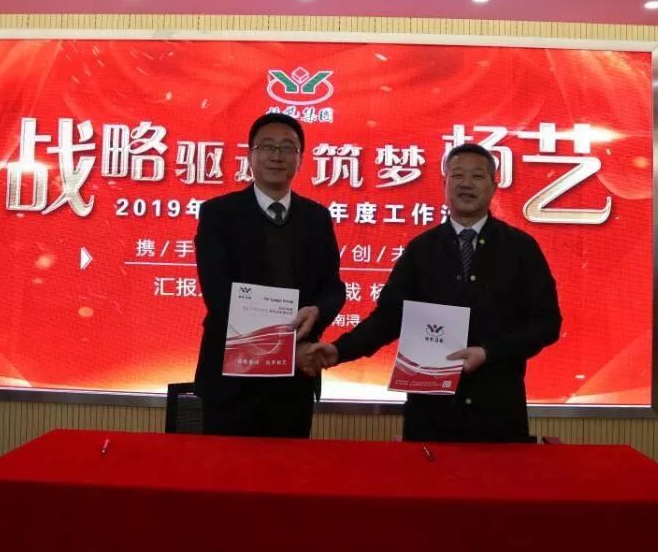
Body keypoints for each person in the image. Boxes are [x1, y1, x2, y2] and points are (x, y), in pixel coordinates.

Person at [305, 143, 561, 442]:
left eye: (477, 176)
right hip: (431, 415)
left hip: (497, 412)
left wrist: (489, 352)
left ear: (494, 185)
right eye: (457, 175)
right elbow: (388, 318)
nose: (466, 184)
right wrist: (339, 350)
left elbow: (547, 323)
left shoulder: (520, 248)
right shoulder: (421, 249)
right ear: (445, 183)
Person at [193, 113, 345, 438]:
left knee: (287, 468)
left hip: (294, 379)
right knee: (226, 467)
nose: (277, 156)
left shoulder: (317, 218)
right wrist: (284, 347)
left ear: (300, 160)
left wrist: (318, 311)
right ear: (250, 155)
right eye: (267, 146)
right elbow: (218, 295)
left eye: (288, 148)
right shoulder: (219, 214)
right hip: (231, 378)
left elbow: (333, 287)